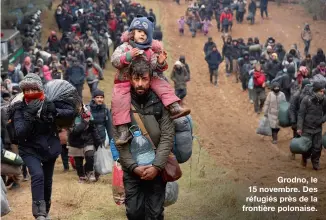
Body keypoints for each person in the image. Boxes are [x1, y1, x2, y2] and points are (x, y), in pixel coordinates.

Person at [111, 16, 190, 145]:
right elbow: (114, 60)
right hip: (124, 80)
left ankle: (174, 106)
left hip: (148, 78)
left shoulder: (148, 50)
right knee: (119, 101)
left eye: (145, 33)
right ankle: (123, 131)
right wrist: (128, 56)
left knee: (162, 83)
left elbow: (154, 66)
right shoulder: (124, 47)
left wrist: (160, 62)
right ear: (132, 33)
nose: (142, 34)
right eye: (139, 31)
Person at [113, 57, 175, 220]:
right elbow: (119, 140)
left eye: (144, 79)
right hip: (132, 170)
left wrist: (156, 166)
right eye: (136, 79)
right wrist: (133, 167)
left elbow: (167, 136)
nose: (140, 83)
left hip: (157, 167)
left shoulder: (161, 101)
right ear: (130, 78)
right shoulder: (120, 103)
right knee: (134, 213)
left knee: (154, 214)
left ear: (151, 78)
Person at [11, 73, 75, 219]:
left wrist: (54, 111)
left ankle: (46, 210)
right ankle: (39, 213)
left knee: (47, 181)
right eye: (26, 90)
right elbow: (20, 132)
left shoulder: (49, 101)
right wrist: (30, 116)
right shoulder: (19, 107)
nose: (29, 93)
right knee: (37, 175)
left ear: (39, 89)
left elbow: (70, 112)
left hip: (49, 148)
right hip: (28, 148)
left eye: (33, 89)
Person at [68, 105, 102, 183]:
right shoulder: (71, 117)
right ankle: (81, 176)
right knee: (78, 162)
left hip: (88, 140)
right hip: (75, 142)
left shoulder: (89, 116)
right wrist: (85, 122)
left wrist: (98, 141)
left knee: (90, 156)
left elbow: (93, 129)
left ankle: (90, 172)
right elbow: (75, 131)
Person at [297, 81, 326, 170]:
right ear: (315, 91)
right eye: (320, 91)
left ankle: (315, 163)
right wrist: (299, 127)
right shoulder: (306, 100)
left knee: (317, 147)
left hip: (318, 127)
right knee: (307, 147)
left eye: (323, 91)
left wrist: (323, 119)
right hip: (307, 127)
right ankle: (304, 158)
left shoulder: (324, 99)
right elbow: (301, 114)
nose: (322, 93)